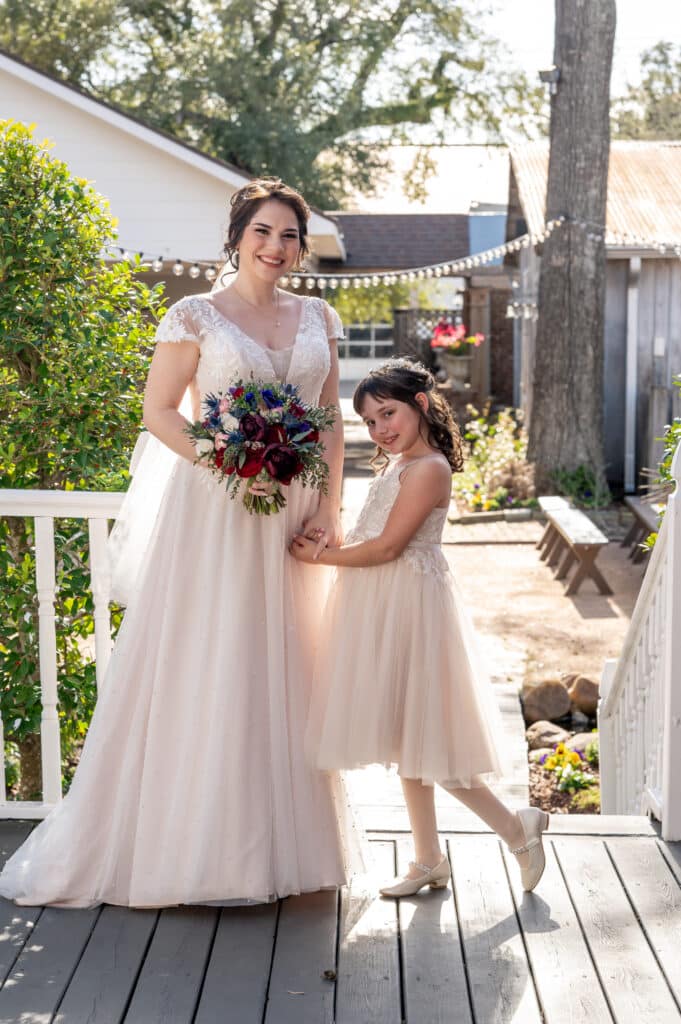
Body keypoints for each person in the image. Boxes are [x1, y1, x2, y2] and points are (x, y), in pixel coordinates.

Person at [0, 177, 362, 907]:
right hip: (221, 509)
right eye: (262, 231)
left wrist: (329, 506)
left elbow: (328, 423)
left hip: (294, 515)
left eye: (290, 235)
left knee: (290, 670)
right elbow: (160, 412)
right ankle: (196, 851)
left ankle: (284, 853)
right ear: (235, 238)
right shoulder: (193, 314)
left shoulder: (317, 315)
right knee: (215, 663)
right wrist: (227, 460)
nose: (276, 247)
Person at [290, 361, 549, 897]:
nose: (380, 428)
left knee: (430, 738)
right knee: (408, 738)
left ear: (422, 405)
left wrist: (318, 561)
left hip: (411, 606)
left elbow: (388, 547)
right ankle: (429, 858)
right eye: (368, 420)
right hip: (383, 601)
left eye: (388, 412)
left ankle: (515, 827)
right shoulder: (397, 466)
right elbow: (371, 535)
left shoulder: (428, 468)